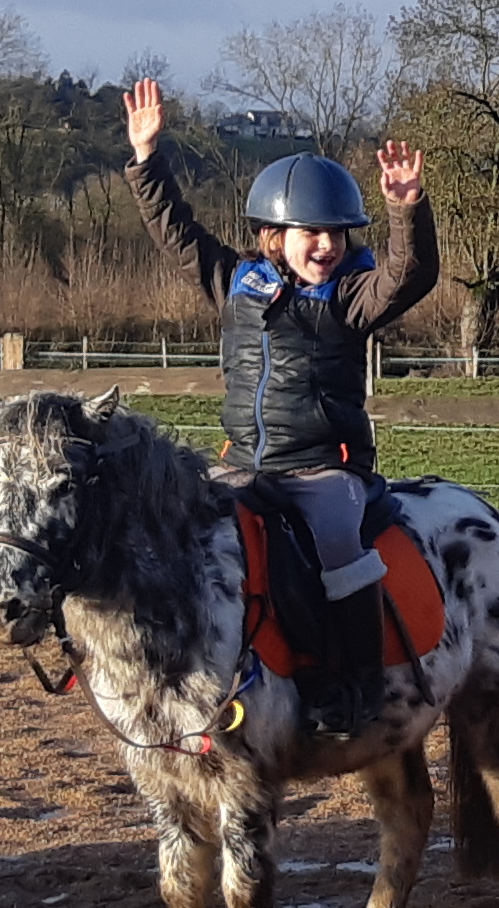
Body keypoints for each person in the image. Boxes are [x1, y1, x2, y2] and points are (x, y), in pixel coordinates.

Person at [124, 81, 437, 735]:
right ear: (273, 236)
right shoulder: (236, 283)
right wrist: (147, 158)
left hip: (326, 468)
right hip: (245, 463)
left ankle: (350, 689)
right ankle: (185, 674)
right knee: (179, 542)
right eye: (311, 233)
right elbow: (175, 232)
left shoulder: (355, 296)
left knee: (338, 554)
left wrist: (407, 210)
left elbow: (412, 274)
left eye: (337, 235)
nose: (326, 245)